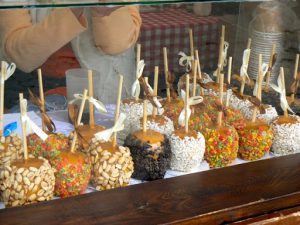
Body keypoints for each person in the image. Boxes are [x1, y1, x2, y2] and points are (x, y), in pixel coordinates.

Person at [0, 6, 141, 109]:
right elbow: (21, 56)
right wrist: (72, 9)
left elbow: (118, 45)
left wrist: (103, 12)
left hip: (107, 94)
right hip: (35, 91)